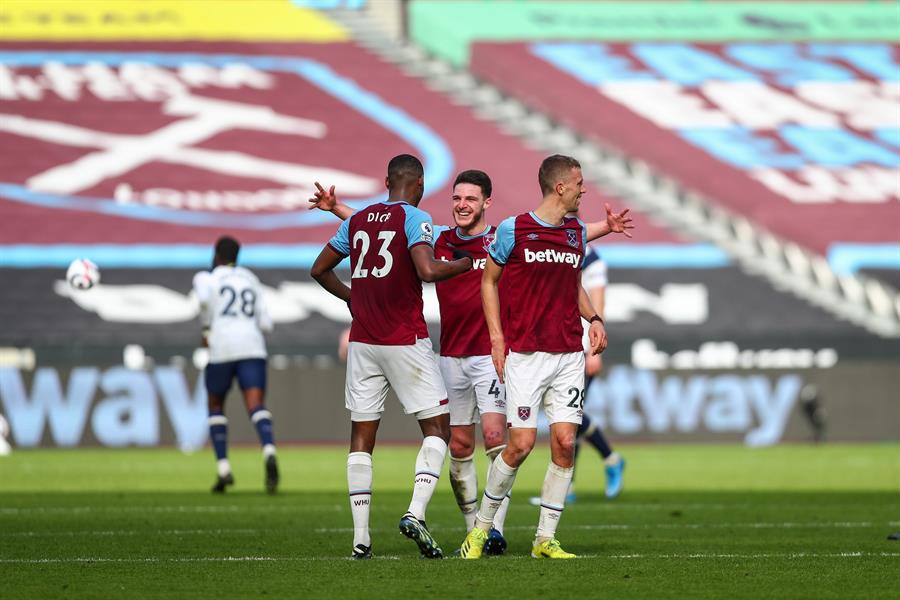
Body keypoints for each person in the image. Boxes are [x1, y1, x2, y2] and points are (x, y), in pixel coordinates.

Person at [310, 169, 633, 556]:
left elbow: (553, 238)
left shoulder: (499, 240)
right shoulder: (441, 240)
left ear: (486, 204)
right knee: (460, 443)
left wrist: (605, 228)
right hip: (451, 356)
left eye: (471, 200)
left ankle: (493, 528)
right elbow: (387, 228)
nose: (462, 205)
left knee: (496, 436)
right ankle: (472, 529)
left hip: (490, 356)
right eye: (457, 199)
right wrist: (337, 209)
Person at [310, 154, 473, 560]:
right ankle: (415, 512)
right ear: (418, 184)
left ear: (387, 181)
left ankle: (360, 539)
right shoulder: (416, 218)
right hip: (403, 338)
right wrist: (465, 263)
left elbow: (319, 269)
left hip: (363, 340)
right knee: (438, 428)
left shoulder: (358, 220)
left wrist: (354, 299)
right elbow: (428, 270)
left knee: (362, 437)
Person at [460, 154, 608, 560]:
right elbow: (489, 281)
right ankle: (481, 528)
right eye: (579, 182)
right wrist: (496, 338)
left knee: (564, 442)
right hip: (525, 355)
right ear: (560, 187)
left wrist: (593, 317)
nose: (584, 188)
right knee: (520, 445)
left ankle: (545, 538)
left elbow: (572, 284)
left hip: (567, 355)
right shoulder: (513, 229)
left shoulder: (575, 232)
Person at [529, 245, 625, 506]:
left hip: (580, 347)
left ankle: (604, 462)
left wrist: (593, 351)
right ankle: (578, 479)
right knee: (570, 417)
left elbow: (597, 299)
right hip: (556, 343)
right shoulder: (554, 245)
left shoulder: (590, 256)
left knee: (569, 416)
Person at [192, 236, 278, 494]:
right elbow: (266, 324)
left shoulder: (205, 278)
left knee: (215, 405)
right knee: (256, 405)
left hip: (222, 346)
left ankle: (224, 469)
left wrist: (207, 328)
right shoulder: (251, 279)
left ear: (216, 255)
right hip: (252, 346)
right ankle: (269, 450)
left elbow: (204, 301)